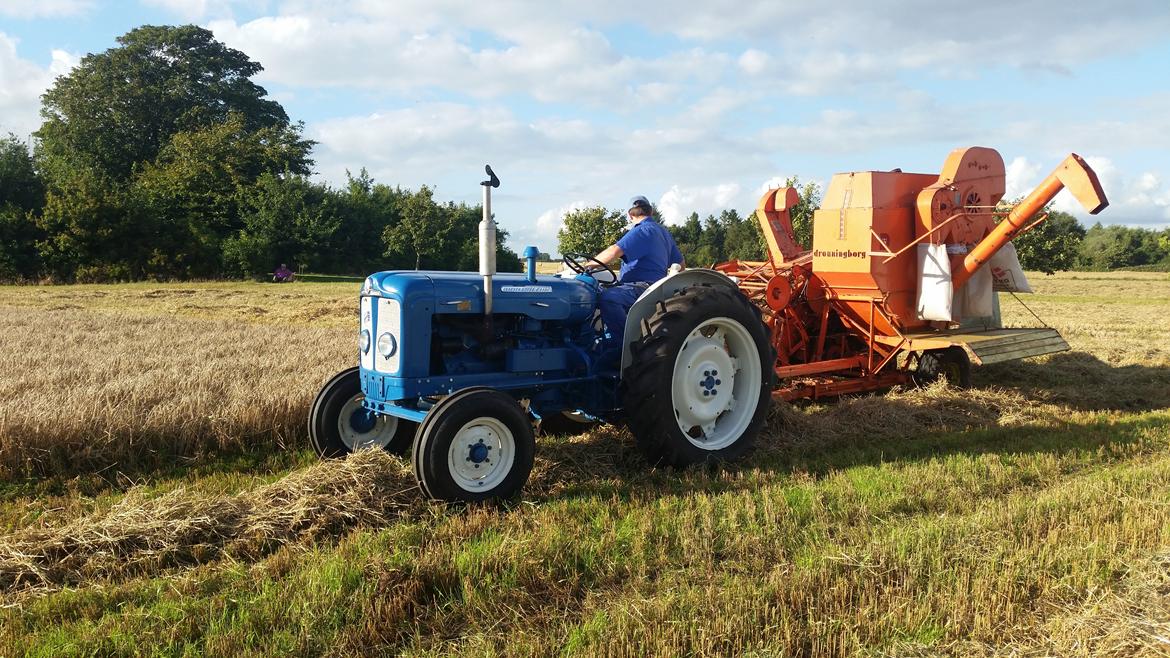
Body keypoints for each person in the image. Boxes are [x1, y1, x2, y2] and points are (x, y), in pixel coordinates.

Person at [590, 195, 684, 349]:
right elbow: (681, 264)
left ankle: (622, 347)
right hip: (654, 287)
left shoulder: (643, 230)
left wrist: (588, 266)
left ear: (630, 215)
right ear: (651, 211)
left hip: (642, 287)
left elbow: (614, 251)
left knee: (609, 298)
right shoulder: (663, 232)